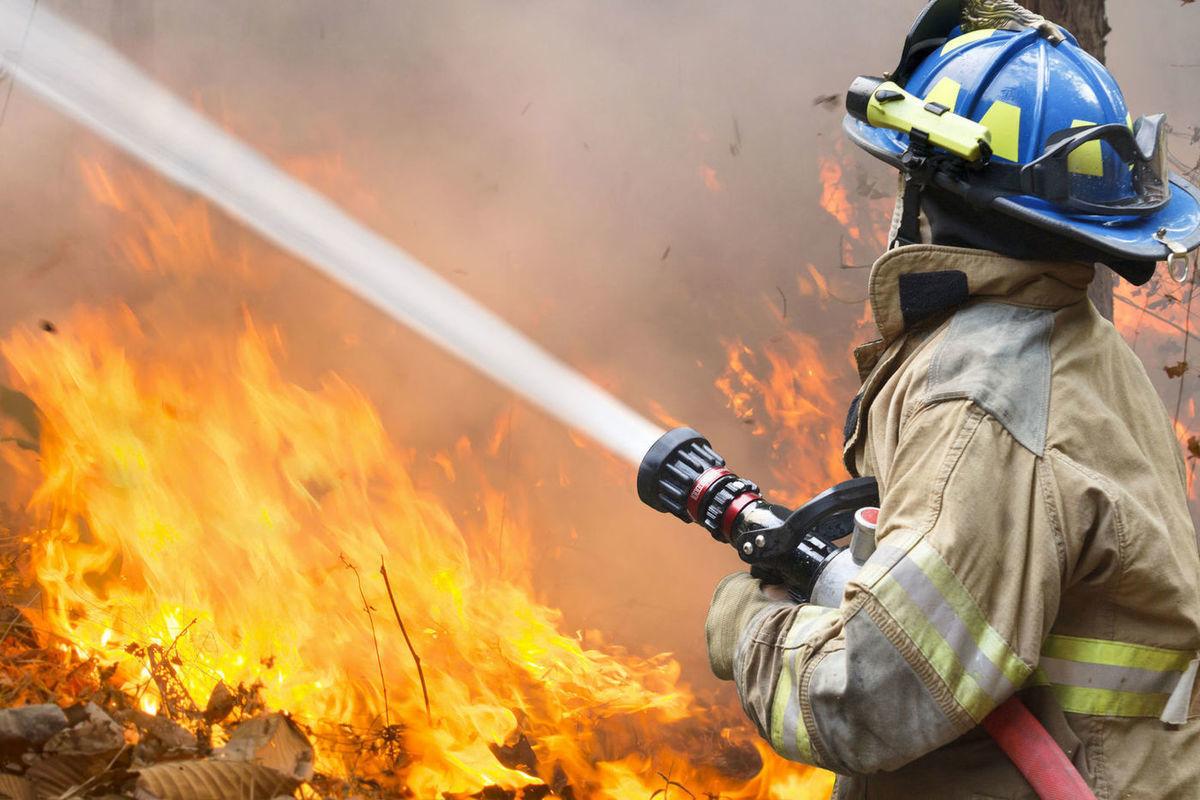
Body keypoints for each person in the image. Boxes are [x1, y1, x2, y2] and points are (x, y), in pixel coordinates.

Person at [703, 1, 1200, 797]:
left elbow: (869, 696)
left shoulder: (985, 401)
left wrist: (745, 624)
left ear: (934, 191)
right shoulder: (1069, 340)